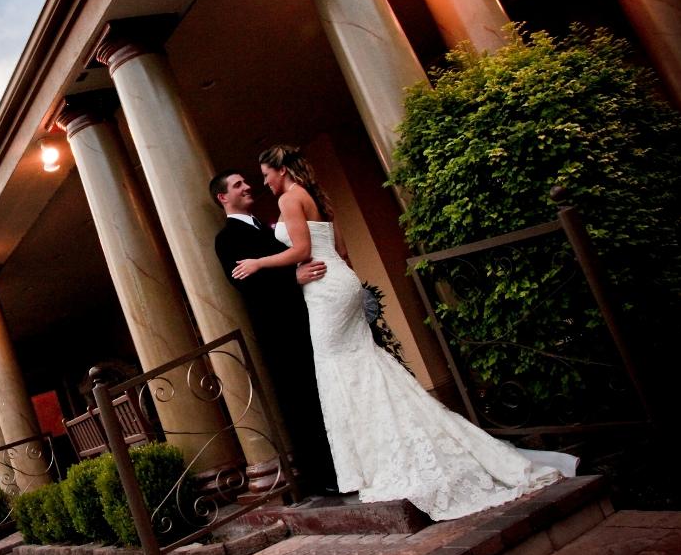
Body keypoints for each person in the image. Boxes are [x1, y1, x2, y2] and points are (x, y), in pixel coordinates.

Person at [231, 144, 578, 521]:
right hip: (340, 280)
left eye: (265, 172)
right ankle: (390, 447)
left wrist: (259, 262)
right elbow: (341, 249)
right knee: (364, 363)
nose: (263, 180)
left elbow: (300, 250)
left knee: (338, 369)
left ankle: (379, 460)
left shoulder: (289, 199)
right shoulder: (313, 195)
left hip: (324, 290)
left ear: (280, 170)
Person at [211, 168, 338, 496]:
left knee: (326, 390)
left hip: (309, 317)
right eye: (238, 185)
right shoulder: (226, 239)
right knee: (301, 399)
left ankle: (344, 462)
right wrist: (292, 279)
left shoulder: (264, 226)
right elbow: (244, 282)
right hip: (279, 329)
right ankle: (322, 476)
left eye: (246, 182)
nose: (247, 187)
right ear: (223, 197)